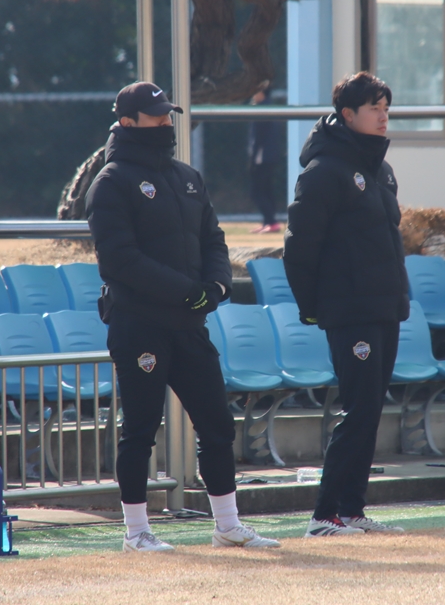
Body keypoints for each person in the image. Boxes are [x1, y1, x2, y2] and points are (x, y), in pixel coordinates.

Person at [86, 81, 280, 553]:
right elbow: (121, 261)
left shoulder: (187, 176)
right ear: (127, 122)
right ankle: (136, 532)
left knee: (217, 425)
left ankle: (227, 525)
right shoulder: (111, 182)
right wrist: (186, 291)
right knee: (140, 429)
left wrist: (216, 286)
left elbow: (213, 239)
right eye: (156, 117)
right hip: (139, 324)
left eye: (168, 115)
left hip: (189, 325)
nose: (166, 124)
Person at [283, 72, 409, 537]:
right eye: (374, 108)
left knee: (371, 409)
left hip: (384, 307)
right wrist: (312, 306)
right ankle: (323, 516)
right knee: (357, 410)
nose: (383, 117)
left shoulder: (381, 170)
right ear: (348, 114)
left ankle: (352, 510)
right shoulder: (323, 172)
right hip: (349, 310)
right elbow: (299, 248)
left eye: (386, 108)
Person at [247, 84, 283, 233]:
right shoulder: (268, 107)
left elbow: (259, 137)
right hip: (270, 156)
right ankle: (268, 222)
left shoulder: (262, 109)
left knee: (258, 191)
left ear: (262, 92)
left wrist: (253, 158)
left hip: (263, 157)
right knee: (266, 190)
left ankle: (271, 222)